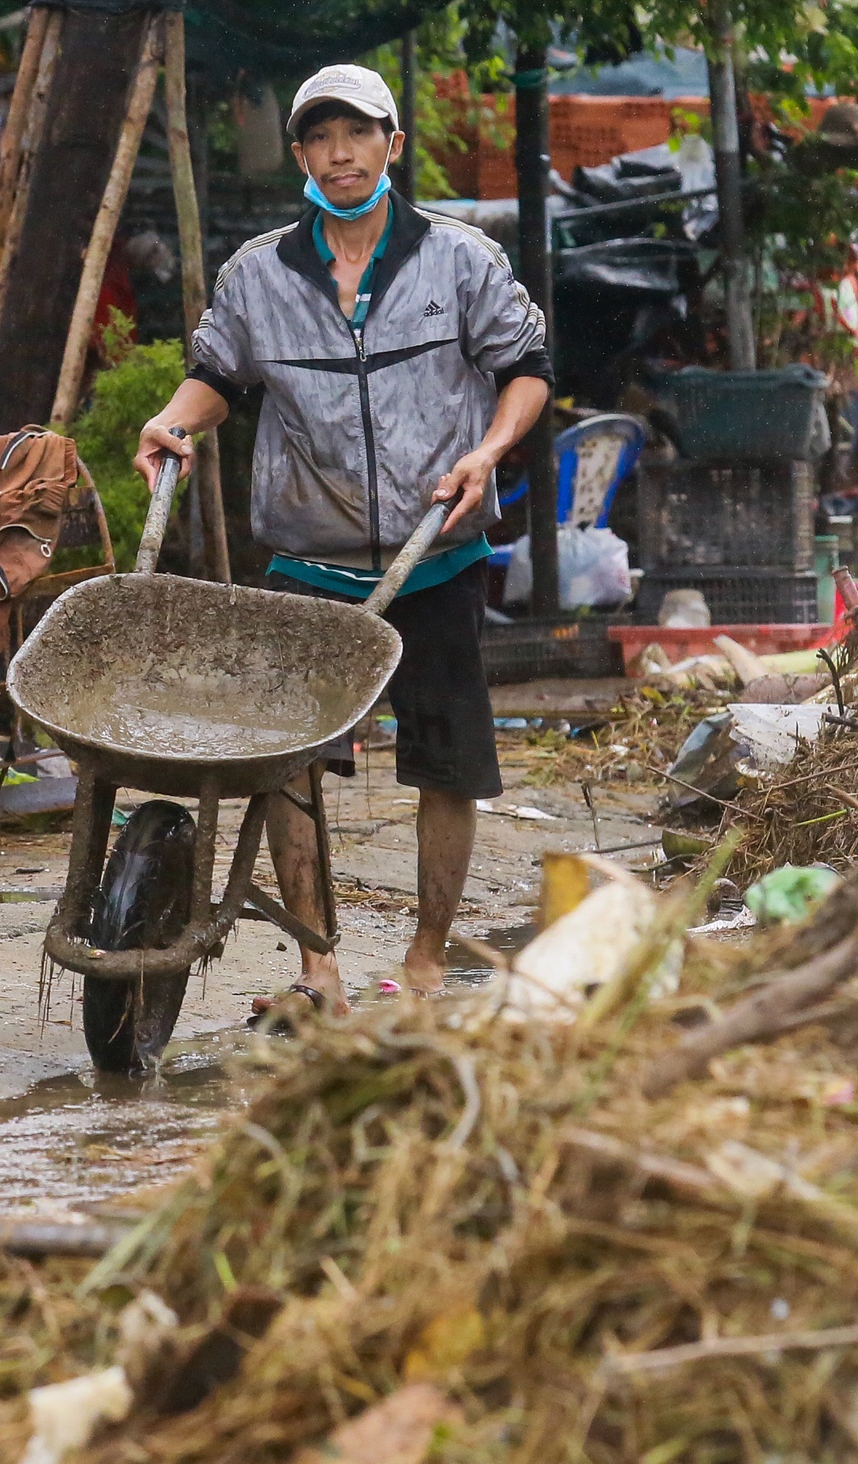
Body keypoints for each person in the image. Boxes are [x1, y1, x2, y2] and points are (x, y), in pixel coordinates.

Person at [132, 62, 551, 1010]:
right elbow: (218, 377)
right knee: (291, 767)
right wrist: (174, 420)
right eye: (320, 137)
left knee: (448, 764)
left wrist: (487, 449)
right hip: (307, 563)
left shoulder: (461, 259)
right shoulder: (259, 273)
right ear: (302, 158)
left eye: (357, 133)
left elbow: (526, 368)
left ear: (391, 145)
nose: (340, 153)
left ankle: (429, 956)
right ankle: (318, 966)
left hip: (433, 555)